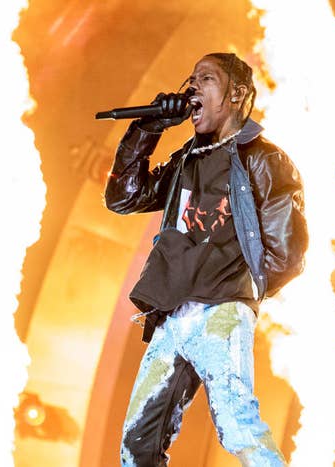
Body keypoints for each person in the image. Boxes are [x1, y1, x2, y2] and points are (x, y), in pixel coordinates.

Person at [104, 52, 308, 467]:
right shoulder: (185, 159)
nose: (193, 88)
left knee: (238, 430)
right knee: (137, 446)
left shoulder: (263, 159)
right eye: (191, 79)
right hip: (174, 314)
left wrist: (234, 289)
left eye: (206, 79)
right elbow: (123, 197)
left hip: (220, 312)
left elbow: (288, 252)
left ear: (236, 94)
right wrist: (148, 127)